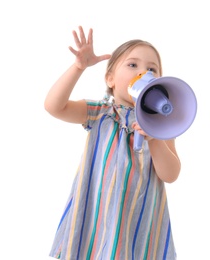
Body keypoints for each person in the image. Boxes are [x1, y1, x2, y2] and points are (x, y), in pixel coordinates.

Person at [44, 25, 181, 260]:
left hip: (139, 217)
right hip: (97, 213)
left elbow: (170, 174)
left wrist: (155, 140)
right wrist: (79, 67)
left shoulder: (162, 125)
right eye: (132, 65)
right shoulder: (100, 112)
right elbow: (54, 107)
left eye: (152, 69)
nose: (143, 73)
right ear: (110, 79)